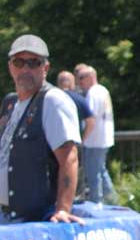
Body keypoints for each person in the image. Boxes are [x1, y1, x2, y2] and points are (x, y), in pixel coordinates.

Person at [0, 35, 83, 224]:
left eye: (33, 63)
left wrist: (63, 209)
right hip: (6, 215)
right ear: (10, 66)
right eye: (19, 62)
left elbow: (69, 157)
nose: (25, 69)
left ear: (45, 68)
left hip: (32, 221)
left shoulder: (52, 100)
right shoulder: (10, 102)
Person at [74, 64, 115, 205]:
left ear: (91, 76)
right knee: (101, 170)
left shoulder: (93, 93)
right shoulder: (103, 90)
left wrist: (82, 139)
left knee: (93, 174)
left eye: (81, 78)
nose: (79, 82)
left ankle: (96, 204)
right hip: (104, 138)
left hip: (95, 140)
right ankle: (112, 201)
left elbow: (90, 120)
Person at [54, 71, 95, 161]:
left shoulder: (50, 99)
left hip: (53, 143)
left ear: (58, 83)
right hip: (74, 143)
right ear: (72, 83)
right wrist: (83, 140)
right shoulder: (79, 99)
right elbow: (91, 121)